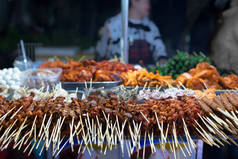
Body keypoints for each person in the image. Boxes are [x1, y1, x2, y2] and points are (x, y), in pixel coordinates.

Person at [96, 0, 167, 65]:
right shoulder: (112, 25)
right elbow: (100, 56)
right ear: (134, 2)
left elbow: (161, 53)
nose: (149, 6)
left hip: (146, 74)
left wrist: (163, 62)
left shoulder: (151, 27)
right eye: (146, 2)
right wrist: (103, 39)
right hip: (119, 74)